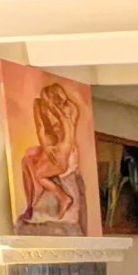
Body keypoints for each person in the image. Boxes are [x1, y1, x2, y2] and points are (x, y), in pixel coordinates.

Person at [18, 81, 83, 229]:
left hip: (65, 153)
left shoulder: (68, 112)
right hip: (52, 148)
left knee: (37, 170)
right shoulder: (41, 105)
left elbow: (63, 131)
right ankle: (30, 205)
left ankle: (56, 196)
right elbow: (40, 128)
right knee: (26, 161)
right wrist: (47, 148)